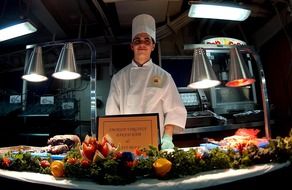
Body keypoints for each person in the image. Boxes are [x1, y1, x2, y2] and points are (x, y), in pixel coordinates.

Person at [105, 14, 187, 150]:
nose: (142, 44)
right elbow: (112, 115)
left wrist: (167, 138)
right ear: (132, 46)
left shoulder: (164, 76)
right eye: (137, 41)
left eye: (147, 40)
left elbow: (174, 110)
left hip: (155, 143)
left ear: (153, 46)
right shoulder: (119, 78)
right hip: (126, 143)